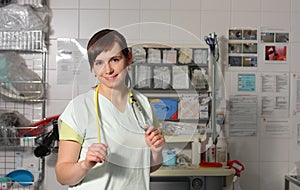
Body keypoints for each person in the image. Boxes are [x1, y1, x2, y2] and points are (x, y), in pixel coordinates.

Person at [55, 29, 165, 190]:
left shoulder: (143, 105)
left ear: (128, 59)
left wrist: (156, 152)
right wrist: (85, 164)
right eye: (99, 62)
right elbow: (62, 176)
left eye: (114, 59)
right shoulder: (79, 108)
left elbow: (145, 169)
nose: (108, 70)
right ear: (93, 67)